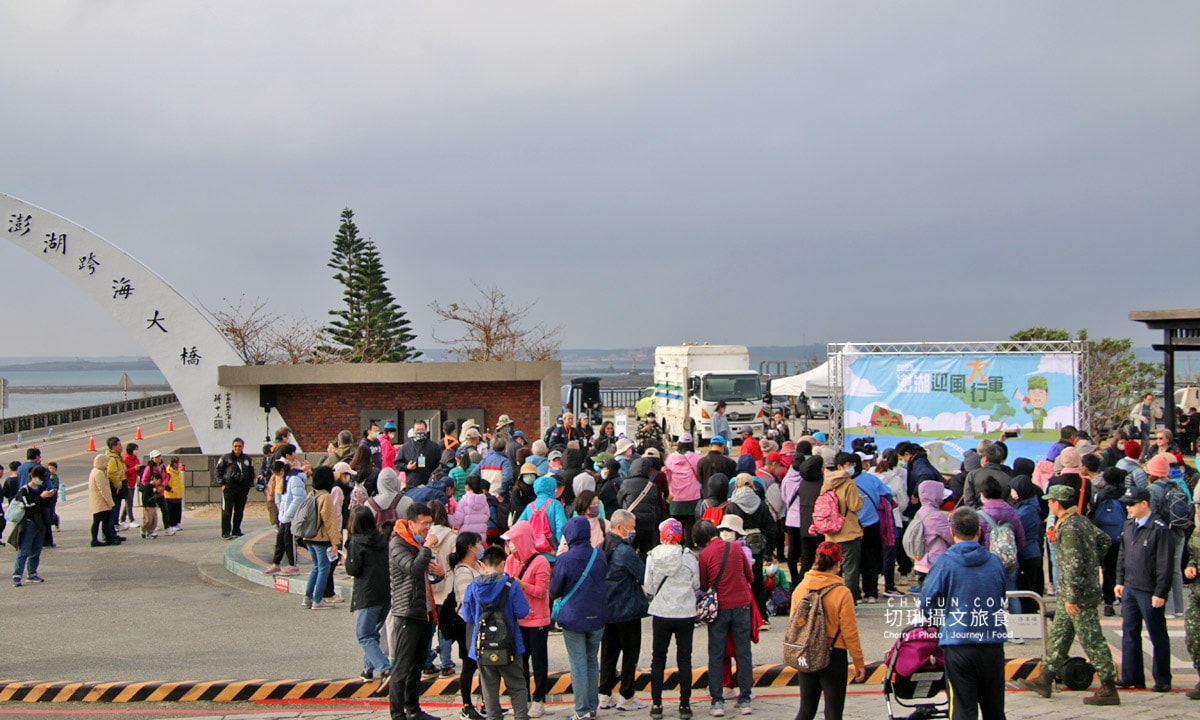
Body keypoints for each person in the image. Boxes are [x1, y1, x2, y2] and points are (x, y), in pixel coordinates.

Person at [1020, 485, 1119, 704]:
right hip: (1073, 592)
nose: (1048, 505)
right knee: (1060, 636)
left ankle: (1109, 687)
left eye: (1050, 501)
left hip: (1077, 595)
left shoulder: (1070, 527)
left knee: (1091, 639)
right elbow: (1104, 541)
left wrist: (1072, 596)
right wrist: (1093, 561)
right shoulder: (1081, 520)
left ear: (1057, 503)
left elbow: (1073, 565)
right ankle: (1044, 679)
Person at [919, 507, 1008, 720]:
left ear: (952, 532)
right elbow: (1001, 596)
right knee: (994, 710)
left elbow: (926, 601)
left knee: (962, 709)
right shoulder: (994, 562)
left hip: (958, 644)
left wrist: (940, 621)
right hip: (992, 644)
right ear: (979, 531)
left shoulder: (944, 562)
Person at [791, 541, 865, 720]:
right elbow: (850, 632)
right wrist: (858, 662)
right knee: (833, 713)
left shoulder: (801, 589)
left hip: (806, 653)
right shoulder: (842, 592)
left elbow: (794, 625)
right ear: (839, 563)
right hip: (834, 655)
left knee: (806, 710)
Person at [388, 502, 445, 720]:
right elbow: (412, 569)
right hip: (407, 612)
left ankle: (413, 708)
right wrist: (428, 548)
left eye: (430, 523)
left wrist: (438, 573)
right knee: (402, 667)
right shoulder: (398, 544)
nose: (427, 528)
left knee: (418, 664)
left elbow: (425, 574)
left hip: (425, 611)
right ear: (411, 523)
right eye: (424, 524)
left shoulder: (417, 543)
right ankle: (397, 714)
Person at [1115, 485, 1174, 692]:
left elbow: (1165, 564)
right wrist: (1120, 580)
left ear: (1144, 504)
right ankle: (1132, 675)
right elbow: (1123, 554)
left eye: (1131, 504)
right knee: (1129, 632)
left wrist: (1161, 592)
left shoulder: (1159, 528)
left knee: (1157, 634)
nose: (1128, 508)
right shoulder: (1129, 525)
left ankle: (1163, 678)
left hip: (1149, 590)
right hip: (1131, 586)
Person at [461, 545, 531, 720]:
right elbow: (522, 611)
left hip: (483, 646)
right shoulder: (510, 585)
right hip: (510, 645)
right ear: (502, 563)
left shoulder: (473, 587)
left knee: (489, 689)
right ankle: (521, 717)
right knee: (517, 685)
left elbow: (468, 616)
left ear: (483, 565)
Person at [549, 516, 608, 720]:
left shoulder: (565, 559)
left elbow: (555, 590)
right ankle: (592, 708)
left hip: (574, 616)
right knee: (592, 661)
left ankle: (581, 710)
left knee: (578, 663)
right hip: (597, 615)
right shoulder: (599, 555)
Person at [699, 514, 755, 716]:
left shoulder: (704, 555)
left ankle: (717, 701)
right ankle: (745, 698)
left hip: (719, 607)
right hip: (741, 604)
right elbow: (750, 576)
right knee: (743, 652)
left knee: (716, 653)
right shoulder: (737, 548)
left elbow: (704, 585)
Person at [644, 518, 698, 720]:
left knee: (658, 658)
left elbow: (648, 588)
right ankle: (685, 705)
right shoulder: (688, 556)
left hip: (661, 612)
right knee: (684, 659)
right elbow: (697, 583)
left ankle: (657, 704)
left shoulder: (653, 556)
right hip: (685, 613)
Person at [501, 521, 553, 718]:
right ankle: (523, 699)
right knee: (520, 662)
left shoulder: (540, 562)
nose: (510, 545)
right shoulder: (510, 561)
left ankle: (539, 699)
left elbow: (542, 592)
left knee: (539, 661)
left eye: (513, 541)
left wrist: (523, 585)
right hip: (518, 619)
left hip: (537, 620)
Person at [345, 505, 392, 684]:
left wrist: (346, 557)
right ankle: (368, 669)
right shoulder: (381, 539)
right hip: (384, 593)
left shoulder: (356, 542)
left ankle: (385, 668)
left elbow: (354, 569)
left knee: (364, 634)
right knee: (373, 632)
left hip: (368, 594)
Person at [450, 532, 486, 720]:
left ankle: (487, 703)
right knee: (469, 664)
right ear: (470, 547)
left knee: (485, 664)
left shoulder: (480, 565)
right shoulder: (463, 571)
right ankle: (466, 705)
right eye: (479, 544)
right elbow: (466, 600)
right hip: (468, 623)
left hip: (483, 621)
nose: (481, 547)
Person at [821, 452, 864, 604]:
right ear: (840, 466)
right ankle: (848, 602)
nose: (851, 468)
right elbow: (854, 506)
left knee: (831, 569)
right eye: (849, 464)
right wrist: (859, 500)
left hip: (830, 533)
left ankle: (831, 600)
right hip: (848, 532)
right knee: (850, 570)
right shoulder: (849, 483)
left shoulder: (826, 482)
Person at [300, 466, 341, 611]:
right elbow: (330, 521)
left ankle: (307, 597)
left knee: (316, 567)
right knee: (324, 567)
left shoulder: (311, 494)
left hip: (308, 535)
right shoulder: (326, 496)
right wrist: (336, 541)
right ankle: (318, 600)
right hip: (321, 538)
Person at [11, 466, 56, 586]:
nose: (42, 481)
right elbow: (28, 507)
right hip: (29, 523)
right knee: (24, 550)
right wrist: (41, 497)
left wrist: (49, 497)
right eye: (40, 478)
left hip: (40, 523)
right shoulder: (24, 490)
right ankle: (17, 575)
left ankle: (32, 573)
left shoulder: (42, 488)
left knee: (36, 550)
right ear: (33, 477)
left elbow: (45, 505)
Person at [265, 457, 305, 575]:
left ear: (281, 471)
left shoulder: (294, 480)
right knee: (280, 540)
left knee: (289, 540)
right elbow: (282, 499)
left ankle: (293, 565)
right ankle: (276, 563)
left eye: (276, 474)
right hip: (285, 516)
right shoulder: (285, 480)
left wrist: (288, 514)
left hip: (291, 516)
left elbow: (298, 498)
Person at [664, 433, 701, 547]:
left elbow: (667, 477)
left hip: (675, 496)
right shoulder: (695, 457)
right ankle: (689, 546)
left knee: (676, 523)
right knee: (690, 522)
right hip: (692, 495)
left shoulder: (671, 458)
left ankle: (677, 544)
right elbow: (698, 474)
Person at [215, 437, 256, 539]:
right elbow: (218, 471)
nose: (237, 448)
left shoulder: (247, 459)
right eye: (236, 446)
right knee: (227, 511)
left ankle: (236, 530)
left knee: (239, 510)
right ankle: (225, 532)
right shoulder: (225, 458)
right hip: (229, 487)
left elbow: (251, 472)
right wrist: (222, 484)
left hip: (242, 488)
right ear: (232, 447)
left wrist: (249, 485)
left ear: (243, 447)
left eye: (240, 446)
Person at [1183, 508, 1200, 700]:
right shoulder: (1197, 533)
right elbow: (1192, 556)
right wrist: (1190, 567)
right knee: (1193, 637)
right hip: (1197, 594)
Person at [399, 421, 443, 490]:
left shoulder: (435, 447)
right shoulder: (405, 447)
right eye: (417, 430)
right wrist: (406, 467)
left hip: (430, 485)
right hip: (412, 485)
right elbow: (397, 463)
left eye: (422, 430)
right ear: (413, 431)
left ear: (426, 430)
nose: (419, 432)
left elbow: (441, 464)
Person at [87, 453, 117, 547]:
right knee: (105, 521)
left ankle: (94, 540)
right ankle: (108, 539)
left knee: (96, 521)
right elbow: (103, 489)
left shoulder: (94, 471)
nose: (107, 465)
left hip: (95, 502)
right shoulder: (99, 473)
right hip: (101, 502)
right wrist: (110, 502)